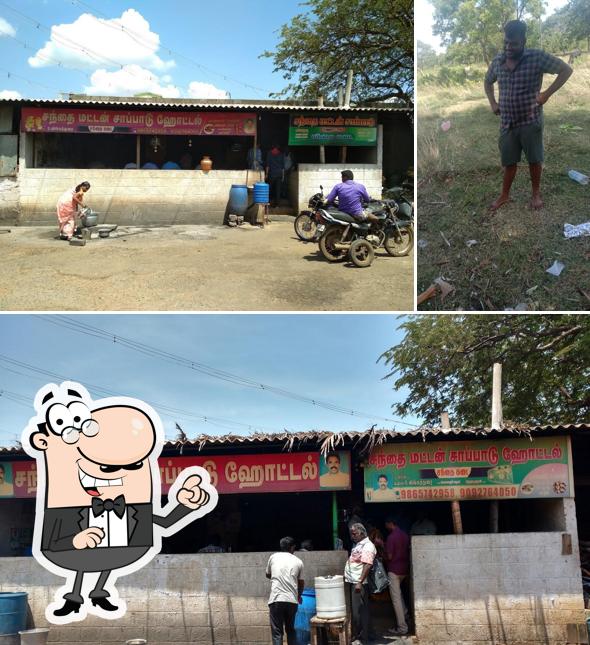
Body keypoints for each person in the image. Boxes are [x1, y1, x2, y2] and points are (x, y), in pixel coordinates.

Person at [23, 381, 217, 619]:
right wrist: (76, 539)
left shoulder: (133, 509)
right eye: (105, 466)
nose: (112, 473)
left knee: (108, 557)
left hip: (119, 552)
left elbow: (165, 523)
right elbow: (52, 542)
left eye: (133, 465)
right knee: (85, 561)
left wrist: (186, 505)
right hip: (75, 552)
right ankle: (74, 597)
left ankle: (98, 592)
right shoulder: (64, 508)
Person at [484, 20, 573, 211]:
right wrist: (493, 103)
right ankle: (505, 195)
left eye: (513, 43)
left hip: (530, 120)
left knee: (534, 159)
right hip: (507, 122)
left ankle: (535, 194)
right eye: (506, 42)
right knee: (509, 161)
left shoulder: (537, 57)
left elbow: (566, 70)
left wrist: (546, 94)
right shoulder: (498, 61)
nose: (509, 47)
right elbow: (487, 82)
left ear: (523, 41)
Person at [266, 536, 304, 645]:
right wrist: (299, 595)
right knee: (291, 630)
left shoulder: (273, 557)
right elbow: (301, 583)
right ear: (292, 547)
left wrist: (277, 577)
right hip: (292, 600)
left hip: (276, 599)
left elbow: (268, 574)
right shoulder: (298, 561)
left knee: (277, 632)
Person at [344, 523, 376, 645]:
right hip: (354, 581)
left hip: (359, 583)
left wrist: (359, 582)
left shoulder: (368, 546)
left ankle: (361, 636)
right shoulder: (359, 545)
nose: (352, 536)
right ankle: (368, 634)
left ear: (362, 533)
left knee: (358, 611)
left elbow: (368, 564)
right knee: (362, 609)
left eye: (354, 533)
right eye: (351, 534)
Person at [384, 516, 410, 636]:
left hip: (394, 570)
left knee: (396, 600)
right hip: (404, 569)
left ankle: (402, 628)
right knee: (399, 595)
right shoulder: (405, 535)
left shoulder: (391, 537)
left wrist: (381, 551)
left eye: (386, 524)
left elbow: (389, 557)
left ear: (390, 523)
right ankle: (405, 615)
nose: (385, 526)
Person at [265, 143, 284, 208]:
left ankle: (267, 202)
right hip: (279, 174)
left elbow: (267, 165)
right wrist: (283, 176)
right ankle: (277, 205)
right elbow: (282, 167)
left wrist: (266, 174)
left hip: (272, 174)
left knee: (269, 188)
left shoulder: (269, 153)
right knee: (278, 190)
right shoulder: (281, 154)